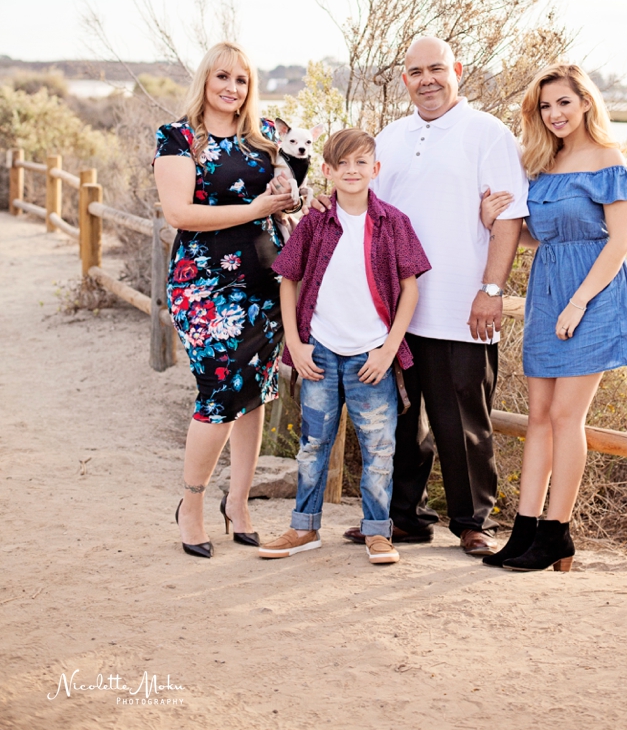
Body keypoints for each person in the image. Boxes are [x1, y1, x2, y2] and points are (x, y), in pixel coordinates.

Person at [342, 36, 529, 556]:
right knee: (399, 421)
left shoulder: (488, 134)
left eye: (437, 69)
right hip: (394, 312)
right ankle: (405, 517)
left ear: (457, 71)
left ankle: (473, 523)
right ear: (405, 79)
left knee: (462, 422)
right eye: (417, 72)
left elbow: (509, 219)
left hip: (459, 307)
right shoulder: (390, 138)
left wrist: (491, 290)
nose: (427, 80)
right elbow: (365, 209)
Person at [480, 63, 627, 572]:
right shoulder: (544, 162)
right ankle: (524, 530)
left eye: (564, 103)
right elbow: (541, 235)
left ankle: (557, 532)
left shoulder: (608, 160)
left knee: (566, 417)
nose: (554, 114)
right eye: (545, 106)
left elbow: (620, 241)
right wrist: (492, 219)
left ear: (586, 103)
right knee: (539, 418)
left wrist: (579, 302)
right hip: (547, 294)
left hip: (592, 297)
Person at [258, 128, 430, 565]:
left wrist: (388, 350)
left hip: (371, 354)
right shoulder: (316, 222)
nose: (352, 171)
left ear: (375, 169)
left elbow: (410, 289)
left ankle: (377, 532)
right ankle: (304, 527)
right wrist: (295, 344)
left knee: (379, 448)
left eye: (361, 162)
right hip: (319, 351)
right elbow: (288, 279)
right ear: (327, 170)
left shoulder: (394, 223)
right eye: (342, 164)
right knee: (313, 444)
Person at [153, 41, 296, 559]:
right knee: (219, 391)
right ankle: (190, 506)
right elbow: (179, 214)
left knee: (253, 392)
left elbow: (288, 196)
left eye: (241, 80)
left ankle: (238, 503)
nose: (232, 88)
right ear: (206, 80)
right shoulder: (179, 138)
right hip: (204, 284)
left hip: (264, 281)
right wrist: (255, 207)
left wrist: (288, 197)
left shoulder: (266, 136)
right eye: (222, 77)